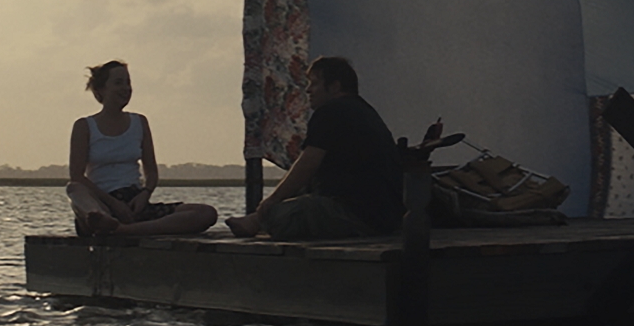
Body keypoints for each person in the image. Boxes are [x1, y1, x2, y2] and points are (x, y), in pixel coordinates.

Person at [224, 56, 403, 239]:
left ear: (334, 86)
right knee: (300, 192)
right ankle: (256, 220)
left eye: (315, 84)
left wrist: (270, 202)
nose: (309, 90)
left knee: (281, 217)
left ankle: (259, 220)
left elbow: (307, 164)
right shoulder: (364, 111)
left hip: (357, 215)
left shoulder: (331, 111)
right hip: (385, 216)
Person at [66, 60, 218, 236]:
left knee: (206, 213)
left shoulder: (140, 122)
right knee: (74, 188)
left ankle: (125, 230)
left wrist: (144, 194)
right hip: (101, 201)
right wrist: (113, 204)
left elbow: (151, 171)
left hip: (134, 201)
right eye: (118, 83)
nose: (126, 88)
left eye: (128, 83)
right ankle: (102, 221)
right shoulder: (85, 126)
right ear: (101, 90)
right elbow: (77, 175)